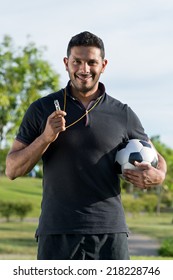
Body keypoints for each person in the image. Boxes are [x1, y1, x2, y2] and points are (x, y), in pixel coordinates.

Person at [5, 31, 167, 260]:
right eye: (77, 62)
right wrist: (45, 138)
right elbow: (12, 169)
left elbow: (157, 157)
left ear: (103, 65)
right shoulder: (41, 109)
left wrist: (158, 175)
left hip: (110, 233)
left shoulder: (123, 113)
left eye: (91, 62)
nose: (84, 69)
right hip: (56, 231)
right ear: (66, 63)